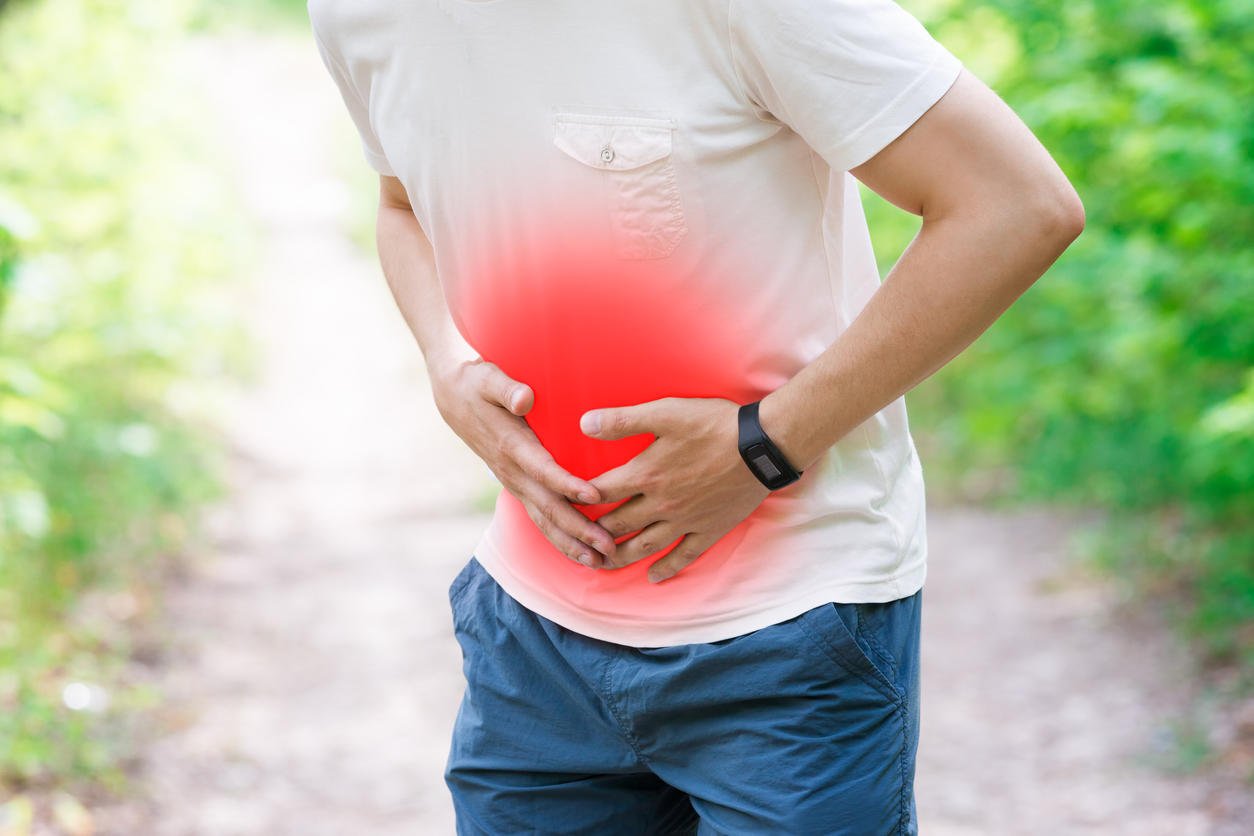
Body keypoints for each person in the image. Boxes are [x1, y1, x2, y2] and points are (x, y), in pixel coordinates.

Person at [308, 0, 1084, 832]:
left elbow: (1015, 203)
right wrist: (444, 360)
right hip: (530, 636)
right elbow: (402, 205)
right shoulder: (360, 11)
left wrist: (764, 446)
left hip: (791, 632)